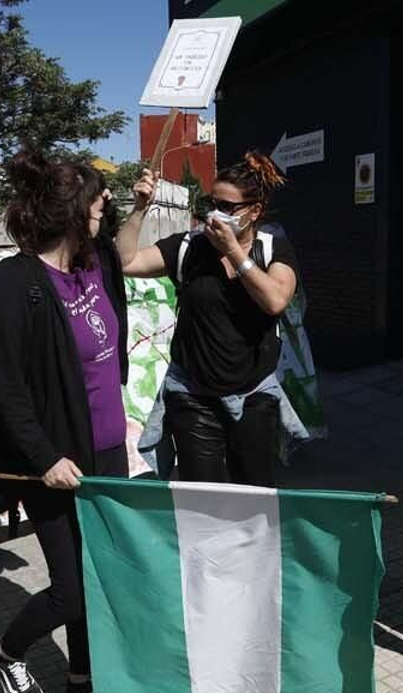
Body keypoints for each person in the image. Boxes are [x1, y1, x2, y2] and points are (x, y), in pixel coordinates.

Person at [0, 146, 128, 693]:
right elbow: (2, 386)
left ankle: (82, 675)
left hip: (109, 453)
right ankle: (8, 651)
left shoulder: (98, 261)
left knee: (102, 572)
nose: (102, 205)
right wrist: (43, 458)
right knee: (71, 588)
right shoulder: (13, 285)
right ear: (68, 211)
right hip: (56, 466)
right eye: (94, 198)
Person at [118, 153, 300, 487]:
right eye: (211, 202)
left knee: (255, 497)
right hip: (193, 394)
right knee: (201, 500)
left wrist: (234, 252)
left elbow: (275, 300)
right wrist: (140, 208)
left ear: (254, 211)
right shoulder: (189, 246)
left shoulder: (273, 249)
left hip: (253, 393)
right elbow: (125, 261)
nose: (216, 213)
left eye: (228, 206)